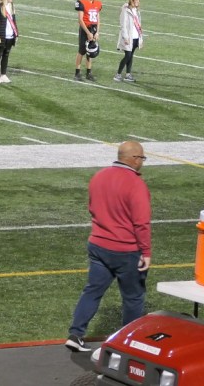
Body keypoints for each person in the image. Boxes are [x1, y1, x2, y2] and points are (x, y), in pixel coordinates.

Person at [66, 141, 152, 352]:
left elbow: (92, 207)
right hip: (126, 250)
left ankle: (76, 334)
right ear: (134, 159)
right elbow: (141, 222)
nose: (142, 162)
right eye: (142, 158)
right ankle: (126, 344)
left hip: (98, 245)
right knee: (133, 298)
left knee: (92, 291)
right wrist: (146, 251)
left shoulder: (99, 176)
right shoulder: (136, 184)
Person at [74, 0, 102, 81]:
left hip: (93, 29)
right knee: (82, 50)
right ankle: (77, 72)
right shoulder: (82, 3)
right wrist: (88, 32)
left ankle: (88, 72)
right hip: (85, 28)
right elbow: (80, 20)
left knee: (91, 50)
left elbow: (98, 19)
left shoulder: (98, 3)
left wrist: (97, 32)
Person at [114, 0, 143, 83]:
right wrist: (125, 37)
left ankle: (128, 74)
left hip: (135, 37)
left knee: (131, 56)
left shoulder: (136, 10)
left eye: (139, 0)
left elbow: (138, 25)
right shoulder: (125, 10)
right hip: (128, 37)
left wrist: (140, 37)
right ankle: (118, 74)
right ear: (131, 0)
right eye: (136, 0)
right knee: (127, 55)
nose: (138, 2)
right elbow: (123, 25)